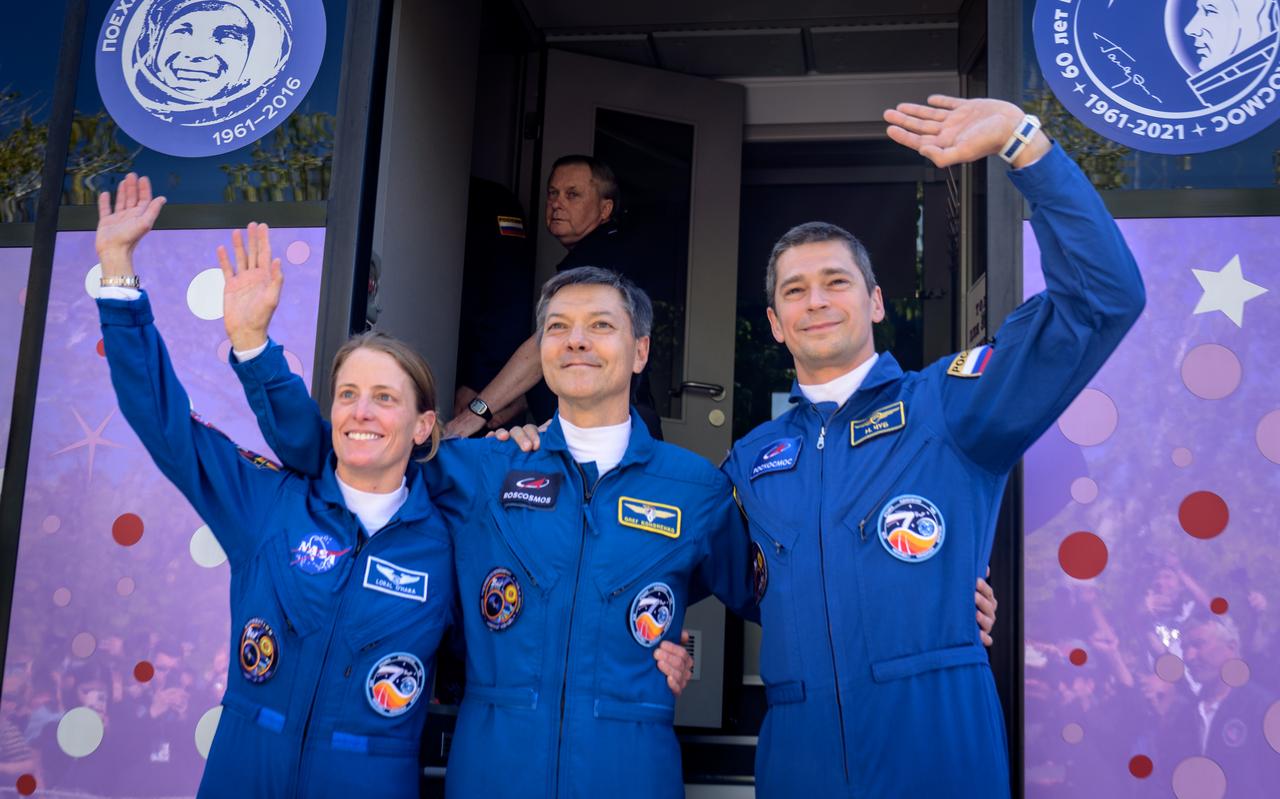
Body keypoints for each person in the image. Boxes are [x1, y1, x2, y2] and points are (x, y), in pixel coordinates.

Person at [718, 95, 1145, 796]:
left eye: (836, 282)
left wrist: (1023, 142)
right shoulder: (751, 458)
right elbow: (702, 569)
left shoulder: (951, 402)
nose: (816, 300)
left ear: (877, 302)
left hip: (936, 748)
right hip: (799, 759)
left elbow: (1102, 300)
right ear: (773, 322)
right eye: (795, 290)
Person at [230, 264, 748, 797]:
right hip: (494, 767)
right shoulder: (481, 468)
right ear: (541, 354)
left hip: (630, 770)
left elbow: (744, 588)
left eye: (600, 326)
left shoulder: (695, 489)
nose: (576, 341)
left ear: (639, 351)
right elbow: (339, 451)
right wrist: (254, 350)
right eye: (557, 327)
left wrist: (663, 637)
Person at [93, 174, 455, 798]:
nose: (361, 412)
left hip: (371, 777)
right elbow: (163, 422)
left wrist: (660, 665)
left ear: (423, 425)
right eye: (347, 395)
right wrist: (118, 271)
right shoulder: (271, 505)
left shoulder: (452, 541)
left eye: (384, 398)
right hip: (245, 768)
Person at [446, 155, 665, 440]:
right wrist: (518, 401)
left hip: (616, 438)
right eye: (553, 193)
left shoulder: (599, 257)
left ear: (605, 208)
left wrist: (475, 415)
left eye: (572, 194)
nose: (557, 203)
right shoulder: (601, 248)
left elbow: (542, 349)